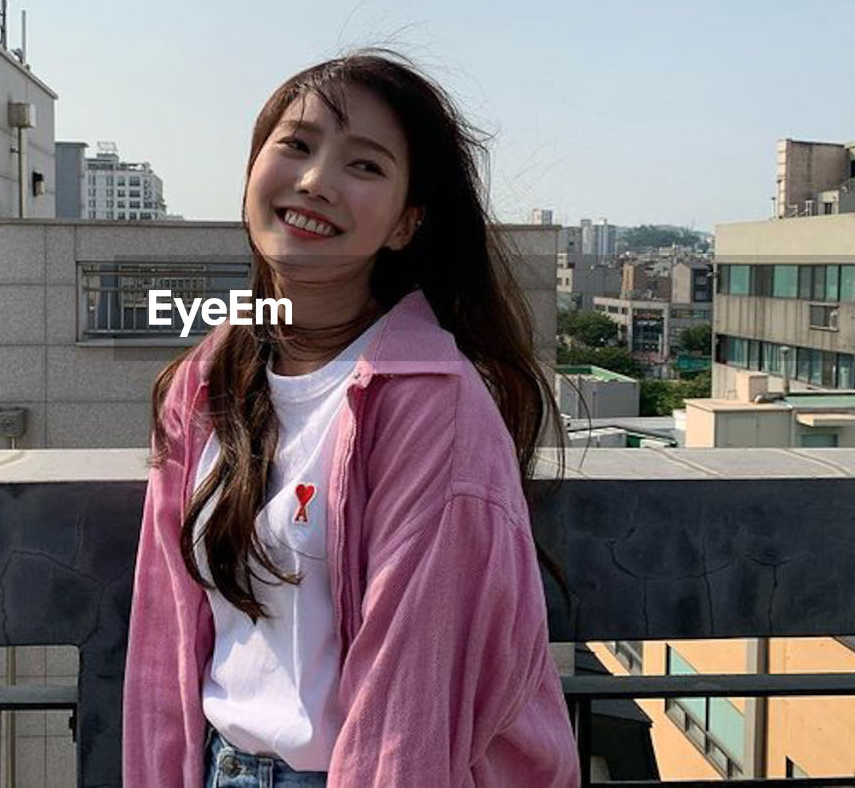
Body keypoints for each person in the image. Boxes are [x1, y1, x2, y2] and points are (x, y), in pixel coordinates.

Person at [122, 50, 580, 787]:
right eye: (296, 145)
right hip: (218, 765)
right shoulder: (203, 383)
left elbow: (408, 708)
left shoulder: (434, 405)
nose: (315, 181)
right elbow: (163, 643)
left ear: (406, 224)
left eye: (363, 166)